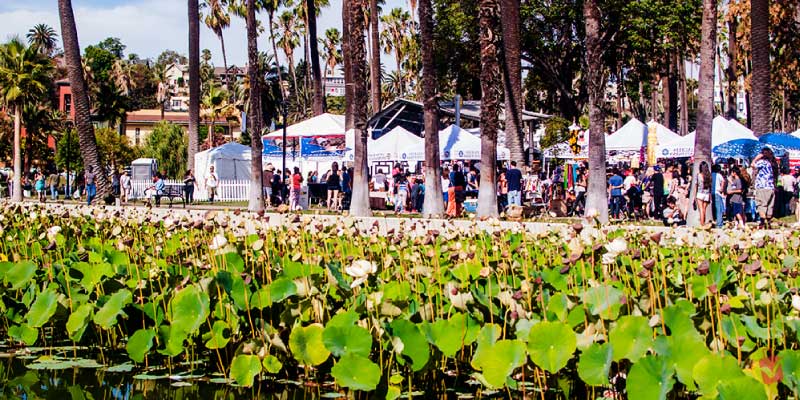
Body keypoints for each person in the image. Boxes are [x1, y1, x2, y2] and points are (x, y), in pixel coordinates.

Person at [752, 147, 777, 228]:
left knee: (762, 205)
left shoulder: (763, 162)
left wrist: (756, 158)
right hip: (771, 187)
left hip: (763, 187)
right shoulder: (773, 163)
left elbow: (753, 165)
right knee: (770, 206)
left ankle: (762, 223)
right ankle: (768, 223)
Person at [711, 164, 726, 228]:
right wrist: (722, 188)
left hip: (711, 193)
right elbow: (723, 181)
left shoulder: (710, 174)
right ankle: (719, 223)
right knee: (718, 209)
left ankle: (714, 220)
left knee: (713, 208)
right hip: (717, 192)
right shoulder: (719, 175)